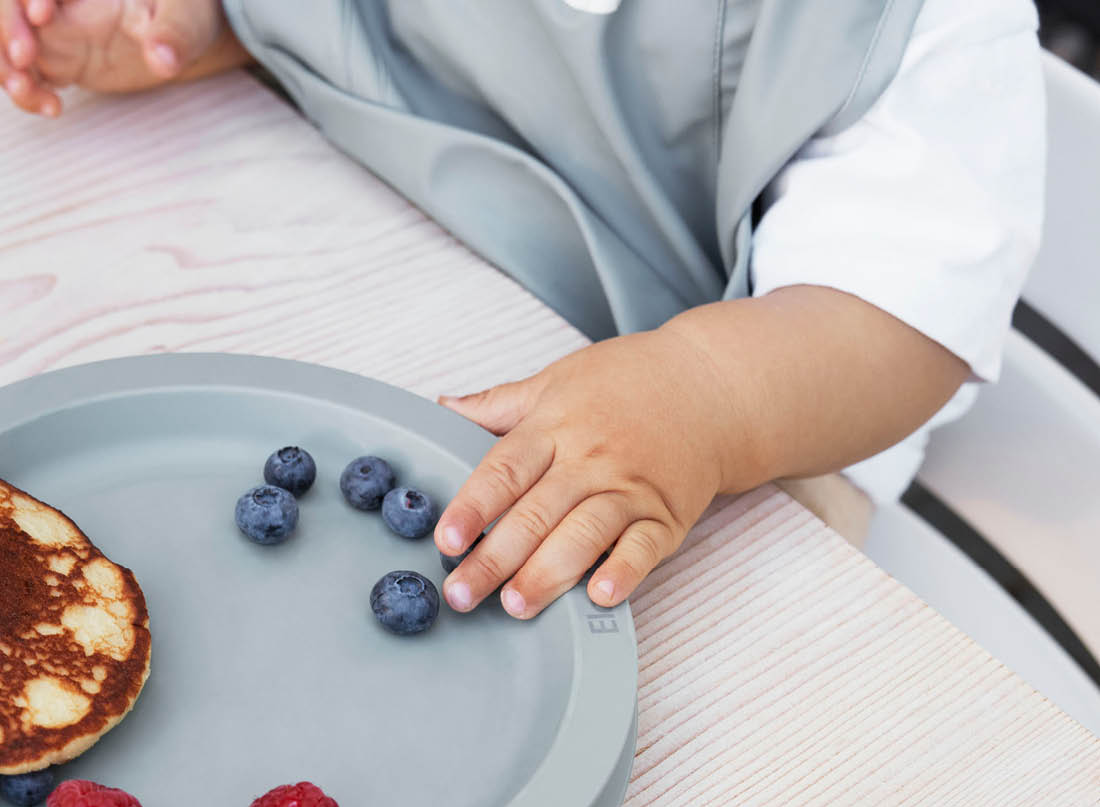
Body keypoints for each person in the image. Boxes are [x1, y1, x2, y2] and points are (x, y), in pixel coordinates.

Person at [0, 0, 1045, 622]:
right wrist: (220, 24)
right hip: (381, 277)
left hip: (745, 434)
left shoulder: (915, 29)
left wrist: (707, 393)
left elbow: (899, 313)